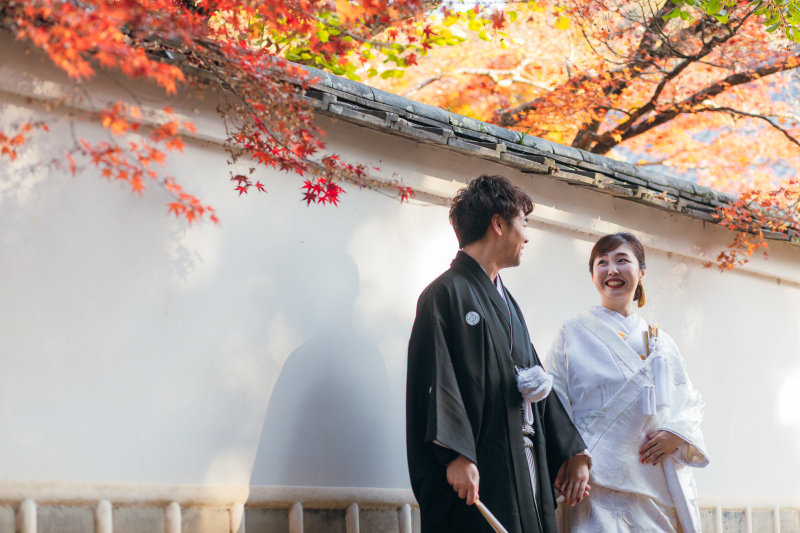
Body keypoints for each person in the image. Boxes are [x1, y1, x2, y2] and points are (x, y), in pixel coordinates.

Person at [406, 175, 591, 533]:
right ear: (498, 224)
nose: (526, 235)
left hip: (524, 462)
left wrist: (572, 453)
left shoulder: (509, 305)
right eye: (524, 222)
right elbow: (435, 380)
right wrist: (456, 453)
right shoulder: (444, 294)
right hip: (479, 463)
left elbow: (534, 380)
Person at [543, 232, 710, 533]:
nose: (612, 270)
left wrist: (677, 433)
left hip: (652, 481)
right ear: (592, 274)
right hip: (593, 480)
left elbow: (689, 401)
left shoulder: (661, 341)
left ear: (642, 271)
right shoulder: (572, 333)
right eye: (602, 262)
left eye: (623, 260)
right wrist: (575, 454)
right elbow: (553, 398)